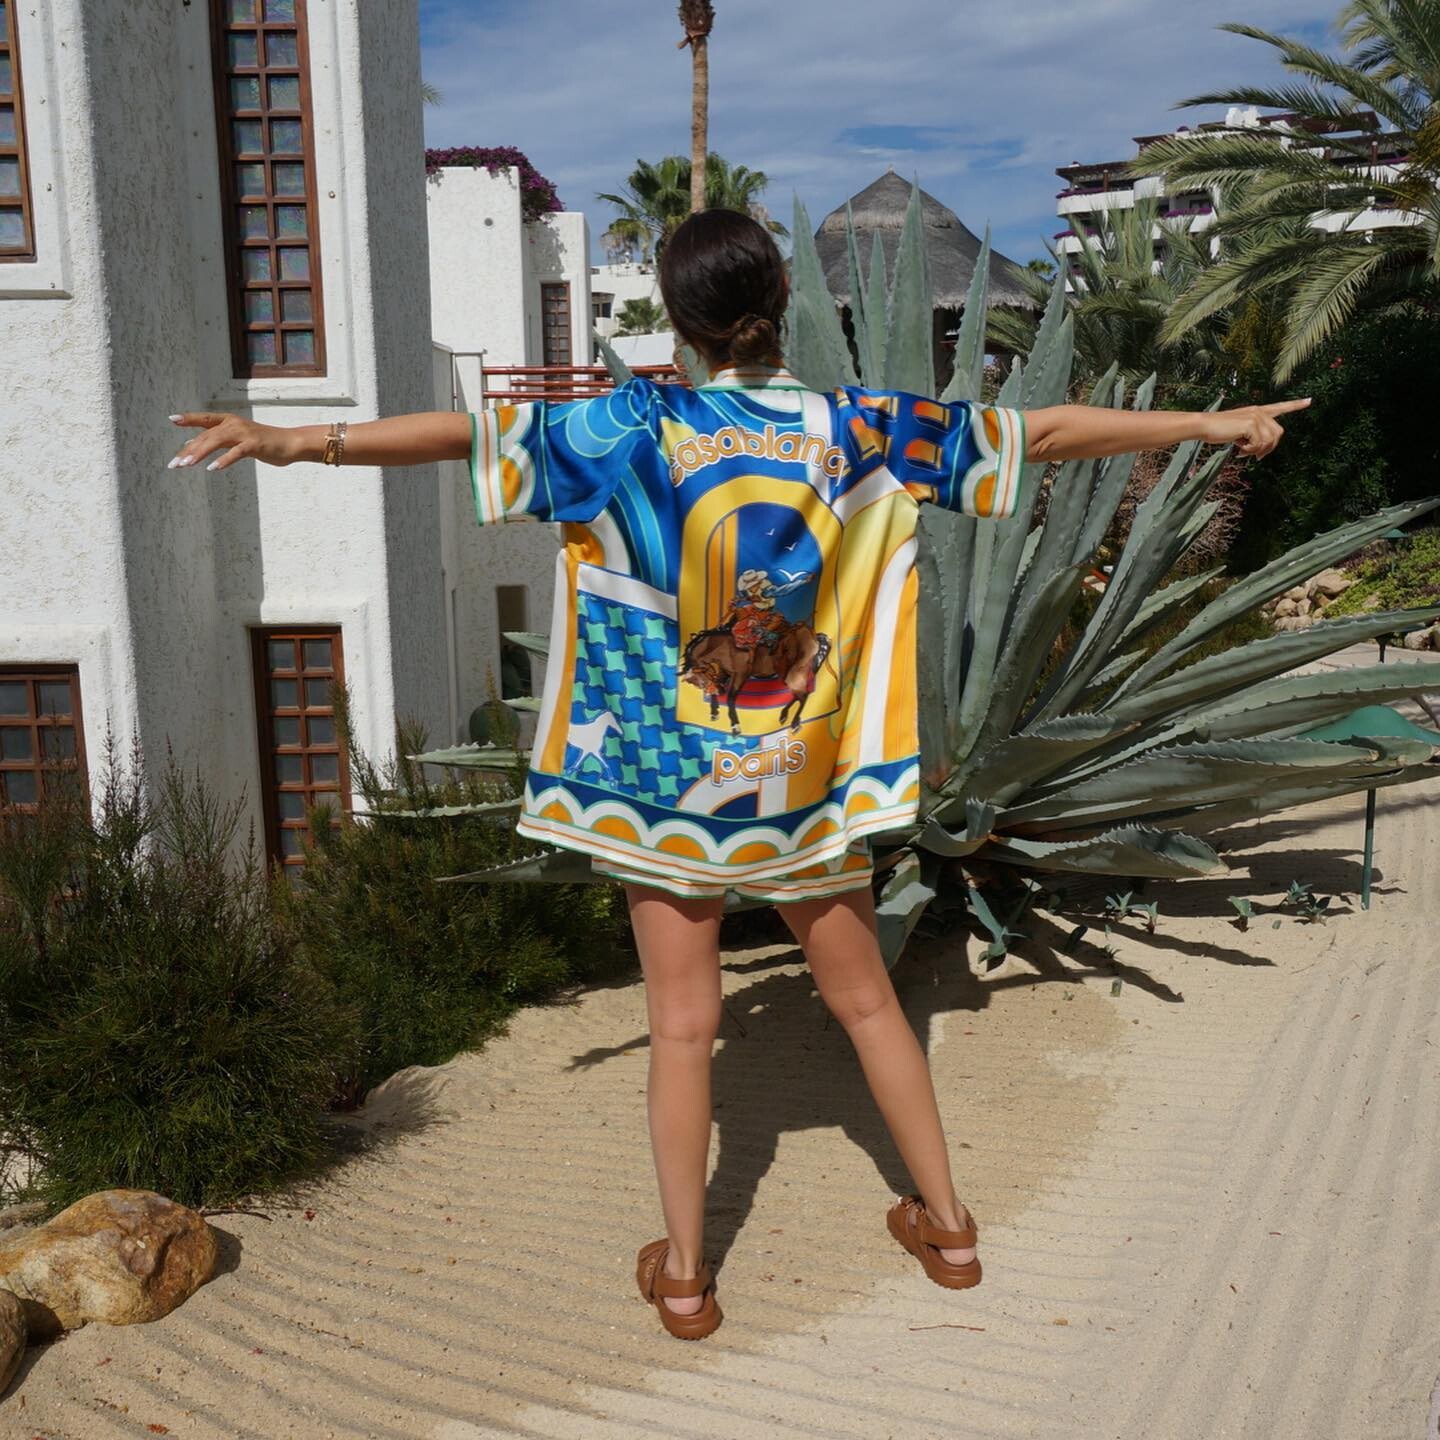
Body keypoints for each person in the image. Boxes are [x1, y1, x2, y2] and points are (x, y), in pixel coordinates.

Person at [167, 209, 1308, 1341]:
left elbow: (464, 437)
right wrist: (1209, 421)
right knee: (870, 1004)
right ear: (777, 303)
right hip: (802, 781)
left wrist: (293, 443)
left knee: (680, 1027)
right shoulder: (860, 425)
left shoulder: (632, 425)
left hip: (666, 787)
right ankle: (951, 1230)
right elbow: (1042, 433)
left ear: (678, 322)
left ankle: (684, 1278)